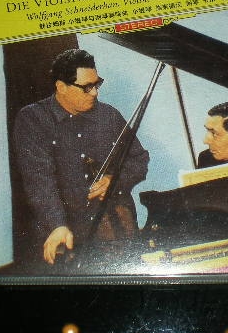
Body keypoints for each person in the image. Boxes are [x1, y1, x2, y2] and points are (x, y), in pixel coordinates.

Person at [12, 48, 149, 269]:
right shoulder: (33, 119)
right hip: (68, 233)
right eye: (87, 87)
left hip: (119, 228)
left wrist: (115, 181)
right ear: (61, 87)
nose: (94, 93)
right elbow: (39, 180)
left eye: (97, 84)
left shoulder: (109, 115)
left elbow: (138, 159)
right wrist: (57, 224)